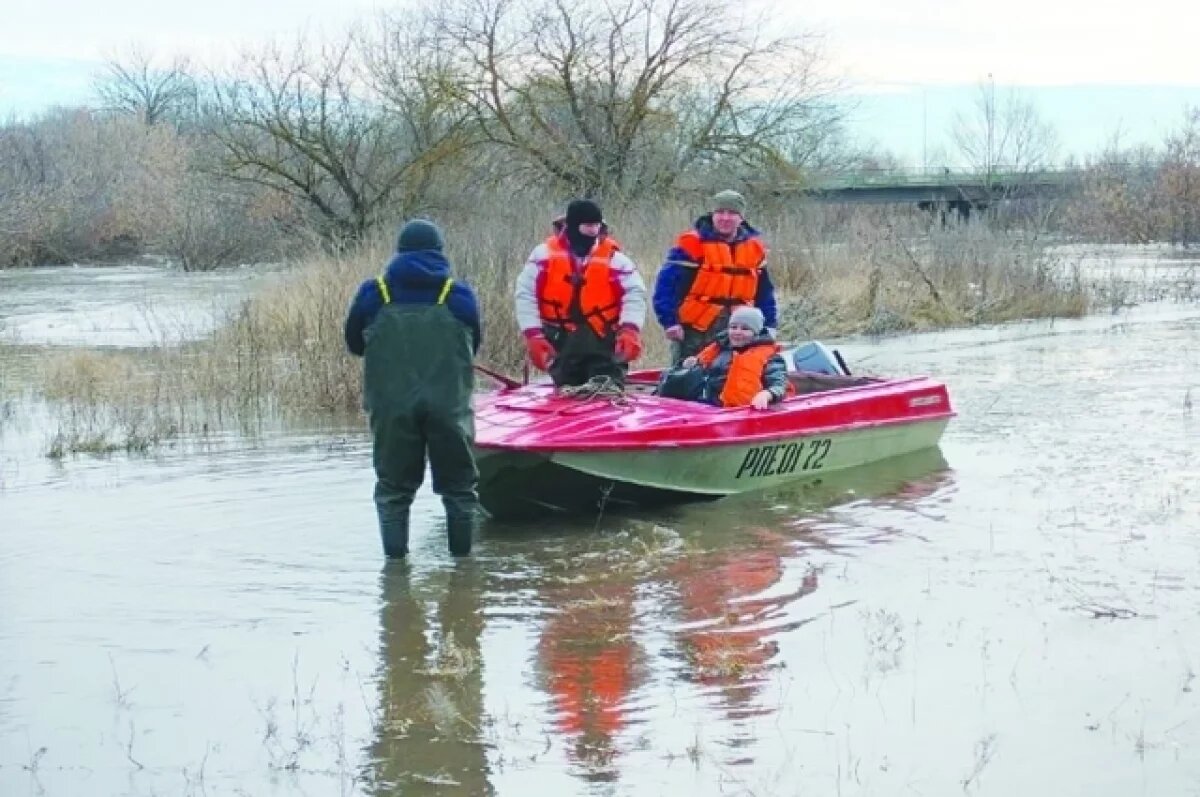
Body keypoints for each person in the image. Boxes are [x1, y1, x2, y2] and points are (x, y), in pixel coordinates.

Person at [344, 219, 482, 558]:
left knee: (393, 490)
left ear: (399, 251)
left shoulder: (374, 293)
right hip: (449, 406)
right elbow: (472, 346)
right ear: (439, 251)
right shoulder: (458, 295)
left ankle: (395, 576)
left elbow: (354, 344)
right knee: (460, 490)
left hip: (391, 406)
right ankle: (463, 575)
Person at [515, 199, 647, 387]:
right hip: (561, 342)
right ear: (573, 226)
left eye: (596, 226)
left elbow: (635, 294)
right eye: (587, 226)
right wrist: (533, 335)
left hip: (603, 342)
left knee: (606, 396)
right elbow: (525, 295)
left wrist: (630, 330)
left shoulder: (616, 260)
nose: (593, 231)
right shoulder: (542, 256)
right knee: (566, 395)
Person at [652, 189, 777, 364]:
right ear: (712, 214)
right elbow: (666, 288)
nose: (725, 218)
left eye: (732, 213)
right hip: (696, 330)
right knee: (686, 378)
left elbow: (765, 293)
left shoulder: (755, 248)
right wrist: (670, 322)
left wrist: (770, 325)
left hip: (739, 330)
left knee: (735, 376)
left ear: (741, 218)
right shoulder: (692, 244)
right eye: (720, 212)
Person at [681, 306, 792, 410]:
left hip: (742, 411)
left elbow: (779, 385)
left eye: (745, 329)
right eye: (733, 327)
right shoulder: (719, 348)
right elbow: (700, 367)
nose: (737, 332)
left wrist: (767, 394)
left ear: (756, 333)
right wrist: (692, 363)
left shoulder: (770, 356)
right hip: (708, 406)